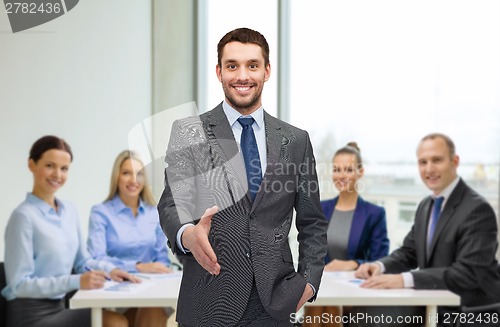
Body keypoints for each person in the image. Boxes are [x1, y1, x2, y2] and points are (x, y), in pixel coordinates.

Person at [158, 27, 328, 326]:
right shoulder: (189, 132)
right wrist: (188, 235)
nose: (242, 76)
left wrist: (309, 284)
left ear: (267, 71)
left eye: (252, 65)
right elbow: (172, 204)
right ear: (219, 71)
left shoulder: (296, 140)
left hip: (276, 303)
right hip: (209, 301)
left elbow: (312, 222)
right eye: (232, 65)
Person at [353, 133, 500, 327]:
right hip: (433, 303)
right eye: (423, 162)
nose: (429, 169)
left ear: (455, 161)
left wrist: (403, 279)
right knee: (357, 315)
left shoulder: (477, 209)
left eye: (437, 160)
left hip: (469, 313)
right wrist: (379, 267)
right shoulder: (426, 205)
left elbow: (467, 273)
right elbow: (409, 252)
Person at [1, 135, 139, 327]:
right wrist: (76, 281)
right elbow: (19, 285)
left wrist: (112, 270)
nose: (57, 174)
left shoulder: (69, 211)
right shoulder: (23, 216)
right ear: (31, 164)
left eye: (64, 168)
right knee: (114, 322)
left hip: (60, 307)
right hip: (30, 316)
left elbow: (83, 261)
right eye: (50, 165)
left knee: (132, 317)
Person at [304, 142, 389, 327]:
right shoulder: (322, 209)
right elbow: (310, 251)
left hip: (355, 288)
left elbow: (381, 260)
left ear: (360, 172)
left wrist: (353, 263)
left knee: (328, 304)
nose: (341, 175)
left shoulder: (374, 214)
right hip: (323, 287)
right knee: (322, 301)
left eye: (348, 170)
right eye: (337, 169)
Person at [87, 150, 172, 327]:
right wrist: (137, 267)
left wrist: (161, 268)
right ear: (116, 177)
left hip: (147, 291)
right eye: (126, 173)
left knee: (154, 310)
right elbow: (96, 258)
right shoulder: (101, 213)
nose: (134, 180)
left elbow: (161, 258)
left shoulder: (153, 213)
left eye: (139, 174)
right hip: (113, 293)